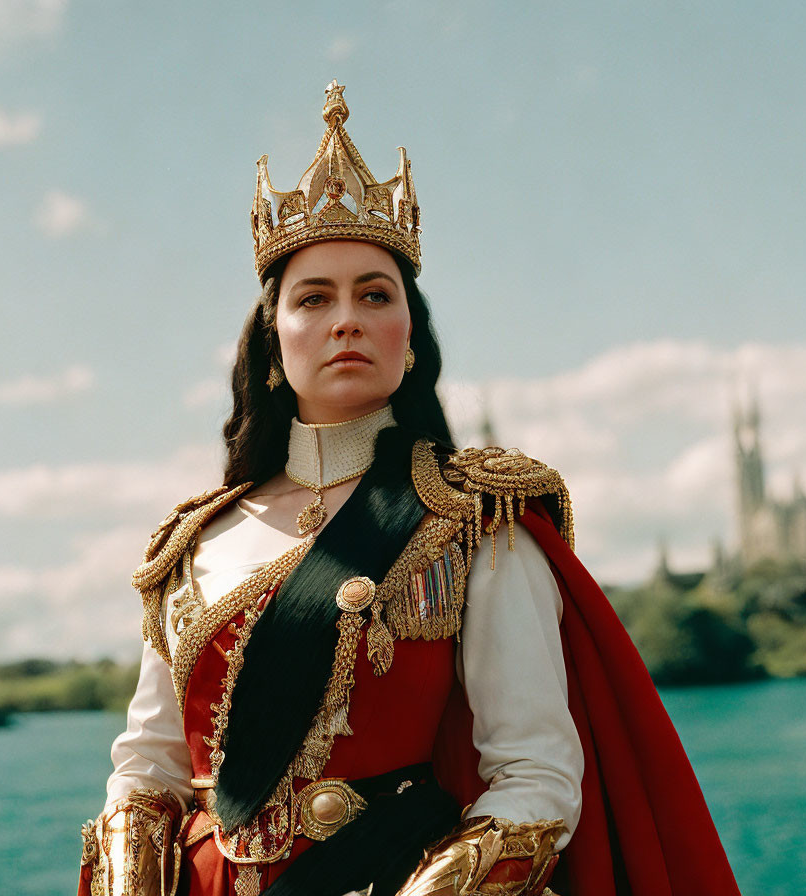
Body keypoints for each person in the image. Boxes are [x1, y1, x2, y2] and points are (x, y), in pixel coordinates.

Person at [78, 81, 740, 896]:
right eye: (313, 299)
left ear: (411, 342)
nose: (345, 319)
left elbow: (535, 782)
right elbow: (147, 771)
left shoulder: (472, 523)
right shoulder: (192, 546)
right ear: (273, 343)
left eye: (374, 295)